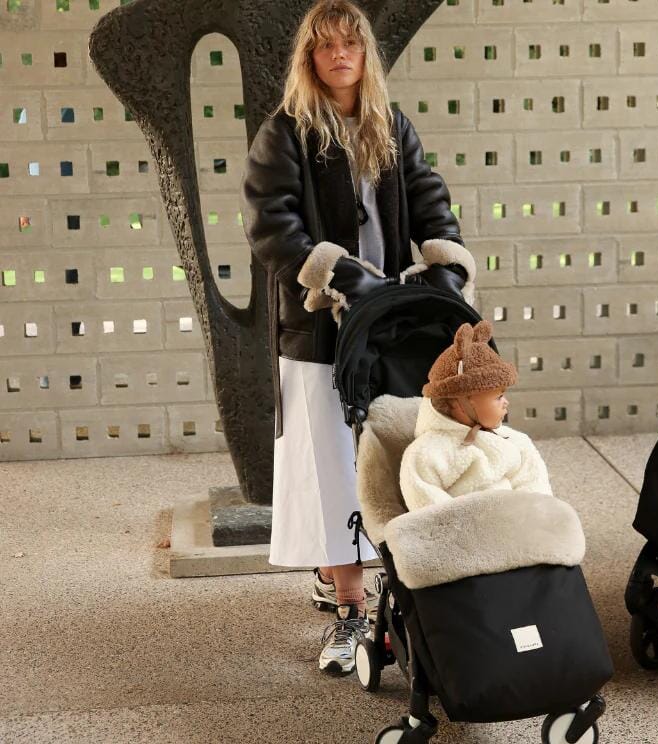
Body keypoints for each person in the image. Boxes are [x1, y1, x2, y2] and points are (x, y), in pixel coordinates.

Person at [240, 0, 476, 675]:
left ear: (365, 53)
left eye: (351, 43)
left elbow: (430, 200)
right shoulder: (285, 132)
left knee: (390, 458)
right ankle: (348, 611)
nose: (340, 54)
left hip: (387, 325)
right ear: (310, 58)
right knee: (330, 470)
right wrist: (340, 274)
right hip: (318, 329)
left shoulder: (391, 124)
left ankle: (377, 590)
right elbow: (272, 226)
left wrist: (444, 265)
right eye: (326, 46)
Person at [400, 320, 552, 512]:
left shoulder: (515, 441)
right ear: (458, 403)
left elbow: (535, 485)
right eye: (499, 397)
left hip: (514, 521)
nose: (506, 402)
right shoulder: (427, 454)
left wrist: (532, 518)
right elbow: (428, 508)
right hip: (463, 526)